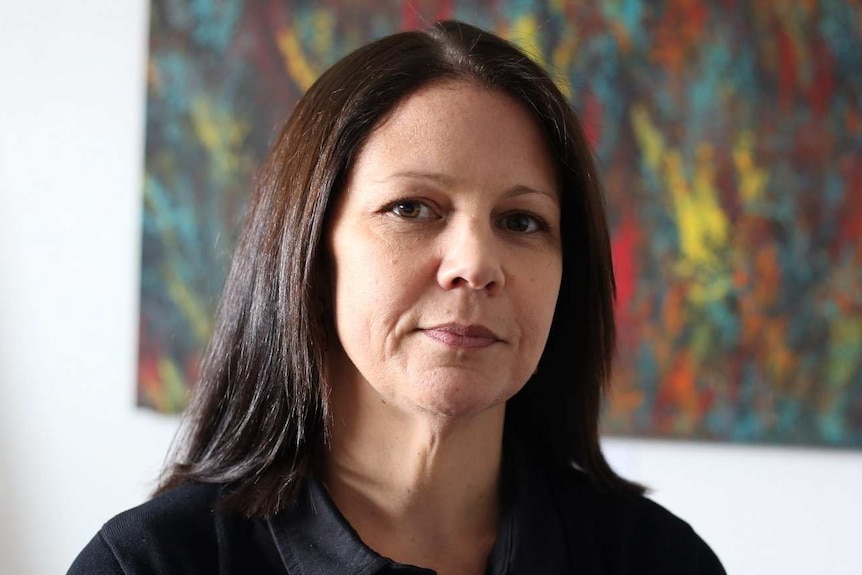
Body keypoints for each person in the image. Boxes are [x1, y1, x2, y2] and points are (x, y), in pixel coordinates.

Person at [70, 20, 725, 574]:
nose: (475, 263)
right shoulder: (152, 562)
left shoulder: (659, 559)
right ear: (310, 252)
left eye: (522, 221)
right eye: (413, 208)